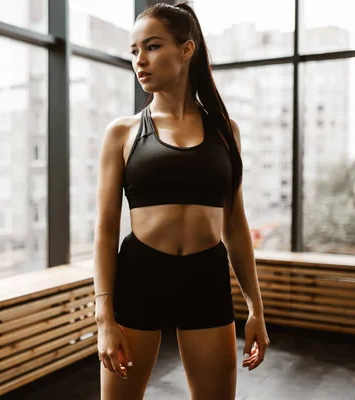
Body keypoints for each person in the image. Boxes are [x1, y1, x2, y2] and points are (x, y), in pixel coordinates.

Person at [93, 3, 270, 399]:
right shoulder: (122, 133)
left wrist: (255, 308)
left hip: (205, 277)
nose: (140, 60)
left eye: (152, 47)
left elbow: (236, 226)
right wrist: (104, 317)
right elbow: (105, 231)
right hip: (140, 274)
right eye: (134, 51)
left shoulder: (226, 132)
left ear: (187, 49)